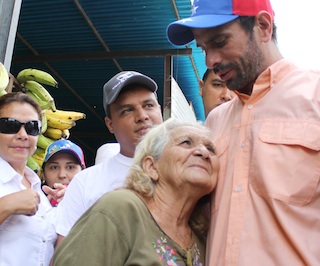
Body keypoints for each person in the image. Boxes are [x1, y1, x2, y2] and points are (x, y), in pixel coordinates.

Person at [166, 0, 320, 265]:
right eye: (204, 48)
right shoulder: (214, 123)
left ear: (263, 27)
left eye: (219, 42)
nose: (211, 60)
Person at [52, 118, 219, 265]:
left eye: (211, 149)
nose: (203, 153)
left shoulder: (203, 238)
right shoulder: (120, 208)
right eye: (186, 143)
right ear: (152, 166)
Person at [55, 71, 163, 245]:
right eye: (127, 110)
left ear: (160, 110)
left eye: (149, 105)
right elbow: (64, 253)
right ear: (110, 124)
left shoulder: (187, 168)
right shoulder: (86, 183)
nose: (142, 116)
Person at [0, 92, 57, 265]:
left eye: (32, 127)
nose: (23, 135)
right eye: (10, 125)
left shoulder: (37, 187)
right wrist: (6, 206)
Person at [41, 139, 86, 207]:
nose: (62, 175)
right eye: (54, 167)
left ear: (83, 172)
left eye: (70, 167)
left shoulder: (95, 202)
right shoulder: (33, 206)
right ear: (43, 174)